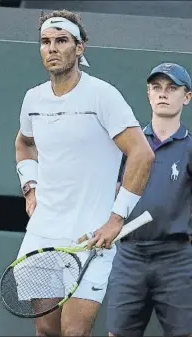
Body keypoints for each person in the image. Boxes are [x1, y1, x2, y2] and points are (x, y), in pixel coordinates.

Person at [15, 9, 154, 337]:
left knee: (74, 333)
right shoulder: (33, 99)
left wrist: (116, 219)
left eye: (61, 40)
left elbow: (141, 154)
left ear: (79, 47)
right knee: (46, 330)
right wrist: (30, 187)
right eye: (46, 42)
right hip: (42, 235)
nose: (52, 48)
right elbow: (24, 144)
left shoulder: (102, 95)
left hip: (90, 238)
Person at [105, 63, 192, 337]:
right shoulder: (129, 145)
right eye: (157, 88)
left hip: (177, 259)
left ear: (187, 97)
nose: (163, 94)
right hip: (129, 256)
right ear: (148, 94)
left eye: (172, 88)